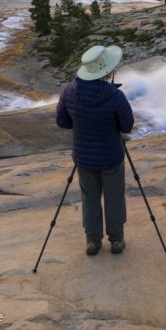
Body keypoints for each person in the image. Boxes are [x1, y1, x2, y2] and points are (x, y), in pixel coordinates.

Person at [56, 45, 134, 256]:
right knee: (114, 197)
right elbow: (127, 126)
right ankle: (116, 240)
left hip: (84, 157)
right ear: (108, 71)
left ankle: (93, 241)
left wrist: (83, 123)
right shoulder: (115, 96)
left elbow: (62, 121)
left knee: (89, 198)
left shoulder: (69, 91)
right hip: (111, 156)